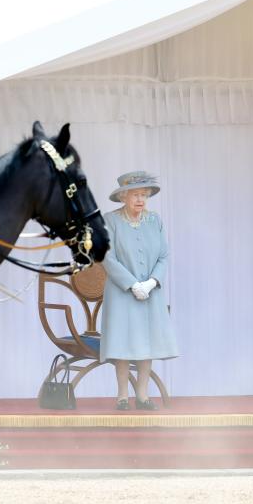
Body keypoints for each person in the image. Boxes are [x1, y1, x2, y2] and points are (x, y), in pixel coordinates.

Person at [99, 171, 177, 411]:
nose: (141, 199)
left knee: (147, 341)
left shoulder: (155, 221)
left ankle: (142, 395)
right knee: (122, 342)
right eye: (135, 195)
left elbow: (164, 255)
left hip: (150, 293)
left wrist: (152, 282)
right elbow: (106, 256)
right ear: (123, 196)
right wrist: (132, 284)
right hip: (121, 293)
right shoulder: (109, 221)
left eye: (144, 195)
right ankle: (122, 395)